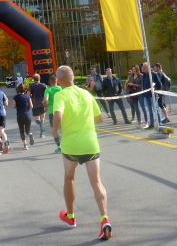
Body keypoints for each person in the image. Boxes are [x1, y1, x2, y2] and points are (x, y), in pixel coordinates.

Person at [51, 66, 112, 241]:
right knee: (97, 182)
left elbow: (58, 115)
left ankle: (70, 217)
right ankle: (104, 219)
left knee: (69, 178)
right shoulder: (86, 94)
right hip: (90, 143)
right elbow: (99, 117)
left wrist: (54, 131)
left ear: (58, 81)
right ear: (72, 77)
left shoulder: (60, 95)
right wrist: (84, 119)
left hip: (71, 145)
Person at [43, 75, 62, 152]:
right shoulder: (61, 88)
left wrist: (45, 106)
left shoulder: (48, 90)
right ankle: (67, 145)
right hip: (62, 110)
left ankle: (59, 146)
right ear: (57, 81)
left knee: (55, 129)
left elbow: (45, 100)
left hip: (52, 111)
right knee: (64, 128)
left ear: (49, 82)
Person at [139, 63, 161, 129]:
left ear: (148, 67)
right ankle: (152, 123)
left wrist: (156, 91)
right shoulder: (144, 75)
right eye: (142, 67)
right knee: (150, 109)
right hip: (147, 95)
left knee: (155, 108)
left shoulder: (154, 74)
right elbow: (143, 84)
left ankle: (159, 123)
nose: (143, 69)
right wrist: (144, 93)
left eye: (144, 67)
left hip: (153, 95)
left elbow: (159, 84)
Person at [12, 84, 34, 149]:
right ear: (25, 90)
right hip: (27, 115)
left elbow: (13, 106)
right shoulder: (27, 97)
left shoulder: (16, 97)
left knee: (21, 130)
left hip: (20, 115)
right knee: (28, 130)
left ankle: (25, 145)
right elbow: (31, 106)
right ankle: (30, 134)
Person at [28, 74, 47, 138]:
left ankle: (41, 125)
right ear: (40, 78)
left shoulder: (31, 86)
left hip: (35, 104)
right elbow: (47, 93)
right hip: (42, 103)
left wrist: (31, 96)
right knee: (42, 119)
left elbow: (28, 94)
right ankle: (42, 133)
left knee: (36, 120)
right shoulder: (44, 85)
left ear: (33, 79)